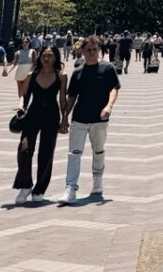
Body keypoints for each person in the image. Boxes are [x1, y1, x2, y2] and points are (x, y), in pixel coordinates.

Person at [58, 34, 120, 203]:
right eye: (88, 50)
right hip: (79, 118)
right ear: (82, 51)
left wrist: (109, 106)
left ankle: (97, 181)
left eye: (95, 50)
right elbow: (72, 97)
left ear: (99, 50)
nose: (92, 53)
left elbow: (114, 89)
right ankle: (70, 188)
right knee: (74, 153)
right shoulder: (77, 72)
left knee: (98, 151)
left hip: (99, 119)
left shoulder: (107, 68)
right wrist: (65, 117)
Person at [12, 44, 67, 204]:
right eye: (44, 56)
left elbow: (62, 98)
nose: (47, 59)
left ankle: (39, 189)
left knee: (46, 152)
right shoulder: (32, 74)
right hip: (33, 115)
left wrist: (65, 119)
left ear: (56, 57)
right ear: (39, 57)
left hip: (51, 115)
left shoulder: (61, 75)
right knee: (24, 149)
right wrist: (21, 106)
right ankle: (25, 185)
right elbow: (24, 94)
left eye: (50, 56)